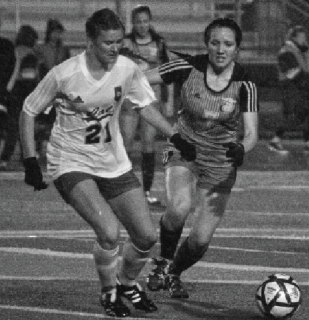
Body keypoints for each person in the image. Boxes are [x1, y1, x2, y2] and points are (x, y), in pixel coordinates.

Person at [18, 8, 196, 317]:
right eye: (107, 43)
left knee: (146, 236)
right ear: (89, 41)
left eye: (117, 42)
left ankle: (127, 283)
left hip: (113, 161)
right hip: (71, 162)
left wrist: (176, 136)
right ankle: (109, 292)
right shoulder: (65, 73)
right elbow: (28, 111)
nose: (114, 49)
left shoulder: (126, 68)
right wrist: (31, 160)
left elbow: (144, 106)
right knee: (110, 232)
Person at [144, 17, 259, 298]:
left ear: (237, 49)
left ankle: (173, 272)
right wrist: (168, 129)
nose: (221, 49)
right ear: (206, 45)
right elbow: (139, 81)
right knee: (179, 207)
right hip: (184, 149)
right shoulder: (187, 67)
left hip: (220, 161)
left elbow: (252, 133)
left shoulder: (245, 82)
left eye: (228, 44)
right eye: (215, 42)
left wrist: (242, 148)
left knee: (199, 241)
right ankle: (161, 263)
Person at [119, 5, 175, 207]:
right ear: (133, 22)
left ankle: (146, 192)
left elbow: (169, 72)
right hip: (128, 101)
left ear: (149, 21)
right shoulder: (124, 42)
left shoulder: (159, 43)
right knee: (126, 144)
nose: (142, 25)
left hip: (151, 100)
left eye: (145, 21)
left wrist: (168, 101)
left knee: (148, 145)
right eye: (138, 21)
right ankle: (124, 190)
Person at [268, 25, 309, 154]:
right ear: (293, 38)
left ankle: (307, 142)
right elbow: (290, 71)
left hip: (305, 85)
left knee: (307, 113)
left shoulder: (306, 50)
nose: (303, 39)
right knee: (292, 113)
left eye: (304, 36)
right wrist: (307, 77)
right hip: (291, 86)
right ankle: (276, 140)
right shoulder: (286, 50)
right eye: (300, 36)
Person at [0, 25, 41, 170]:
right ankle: (22, 158)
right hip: (22, 95)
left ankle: (6, 158)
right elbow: (29, 78)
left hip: (11, 94)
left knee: (13, 128)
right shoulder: (28, 53)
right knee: (23, 128)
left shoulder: (14, 50)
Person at [35, 18, 71, 158]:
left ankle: (57, 149)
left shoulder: (64, 50)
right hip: (45, 89)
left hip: (59, 90)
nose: (57, 35)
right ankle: (38, 148)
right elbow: (40, 69)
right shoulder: (41, 49)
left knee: (58, 120)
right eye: (54, 32)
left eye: (59, 32)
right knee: (43, 120)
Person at [0, 13, 16, 164]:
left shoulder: (6, 45)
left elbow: (12, 69)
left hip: (2, 92)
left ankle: (3, 158)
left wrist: (7, 90)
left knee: (6, 126)